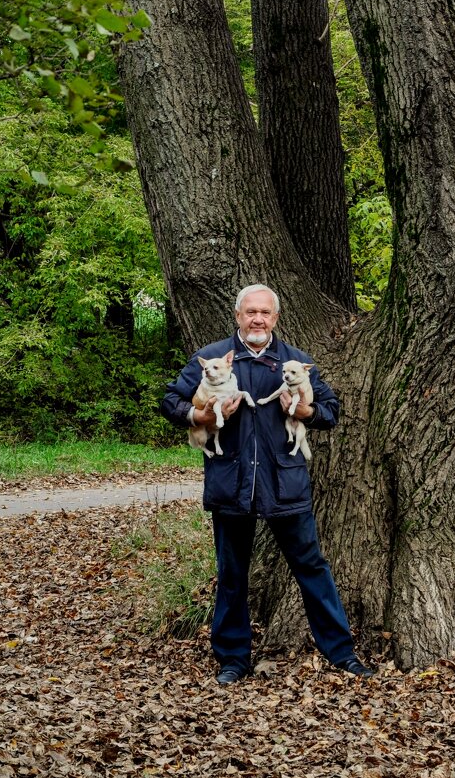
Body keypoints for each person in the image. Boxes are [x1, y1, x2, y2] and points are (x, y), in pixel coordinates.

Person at [160, 284, 374, 685]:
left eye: (265, 313)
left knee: (311, 567)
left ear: (276, 318)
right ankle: (233, 660)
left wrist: (307, 409)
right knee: (232, 573)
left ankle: (342, 653)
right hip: (231, 482)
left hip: (284, 483)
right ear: (238, 316)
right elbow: (171, 401)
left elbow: (330, 410)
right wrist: (200, 417)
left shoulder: (295, 361)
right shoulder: (212, 359)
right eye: (250, 312)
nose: (257, 319)